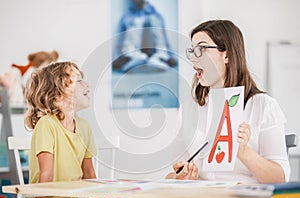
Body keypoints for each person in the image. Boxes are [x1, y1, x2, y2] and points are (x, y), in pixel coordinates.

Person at [166, 20, 290, 183]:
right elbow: (170, 174)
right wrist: (180, 176)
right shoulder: (189, 109)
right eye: (192, 51)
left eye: (201, 49)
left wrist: (244, 152)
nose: (193, 59)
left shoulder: (263, 106)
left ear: (227, 55)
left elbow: (280, 178)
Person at [25, 61, 96, 198]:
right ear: (58, 94)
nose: (87, 85)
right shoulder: (47, 124)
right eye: (79, 81)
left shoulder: (85, 127)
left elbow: (89, 175)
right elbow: (46, 175)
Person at [112, 0, 177, 72]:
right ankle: (132, 58)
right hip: (134, 54)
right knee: (136, 22)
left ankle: (159, 58)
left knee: (153, 20)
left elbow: (164, 40)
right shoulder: (127, 17)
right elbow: (120, 40)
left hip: (153, 54)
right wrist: (117, 58)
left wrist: (170, 56)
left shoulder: (156, 16)